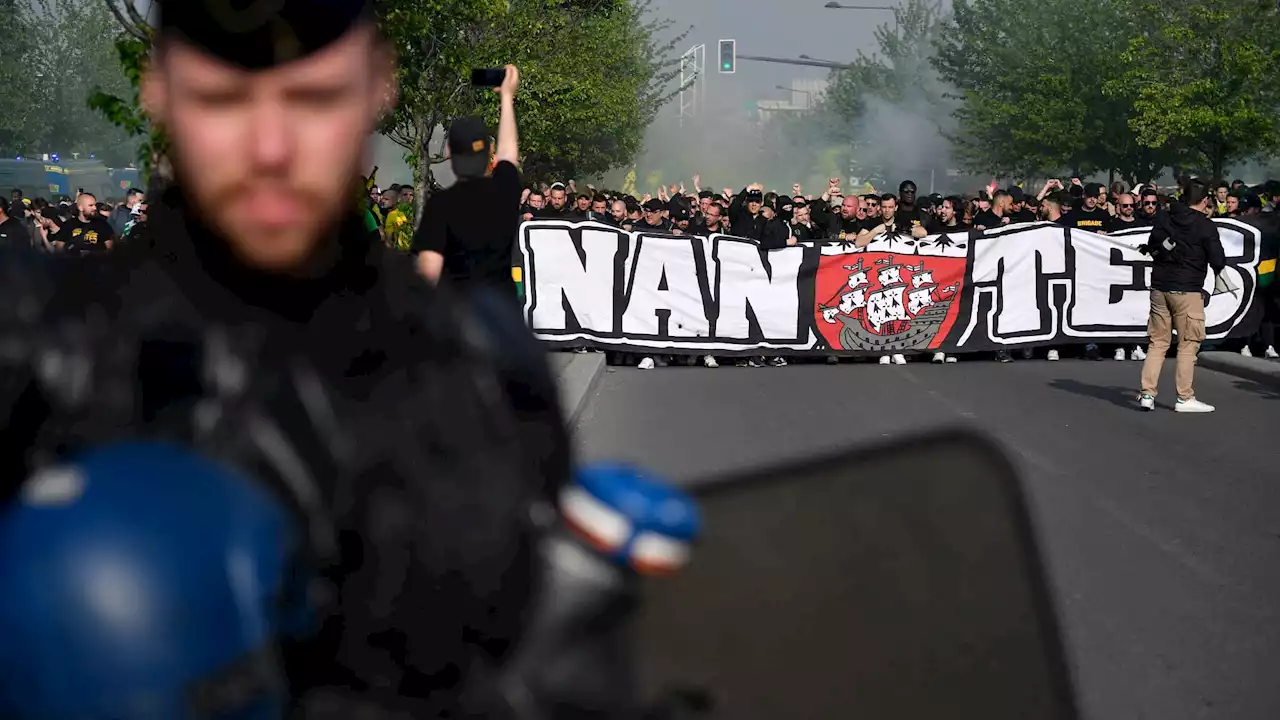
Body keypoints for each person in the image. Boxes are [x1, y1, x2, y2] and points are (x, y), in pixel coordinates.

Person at [0, 1, 578, 716]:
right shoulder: (42, 353)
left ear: (378, 87)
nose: (270, 147)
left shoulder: (484, 373)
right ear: (158, 90)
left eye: (313, 97)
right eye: (224, 98)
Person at [412, 68, 522, 297]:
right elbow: (508, 154)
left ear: (450, 152)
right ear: (489, 153)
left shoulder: (440, 205)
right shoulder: (505, 191)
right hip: (502, 320)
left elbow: (427, 277)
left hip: (459, 322)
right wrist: (506, 97)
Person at [1137, 181, 1225, 413]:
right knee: (1188, 344)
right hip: (1188, 290)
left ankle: (1147, 393)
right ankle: (1184, 398)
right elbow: (1218, 260)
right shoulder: (1205, 226)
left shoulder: (1164, 218)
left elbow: (1152, 245)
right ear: (1205, 201)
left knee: (1157, 343)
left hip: (1159, 287)